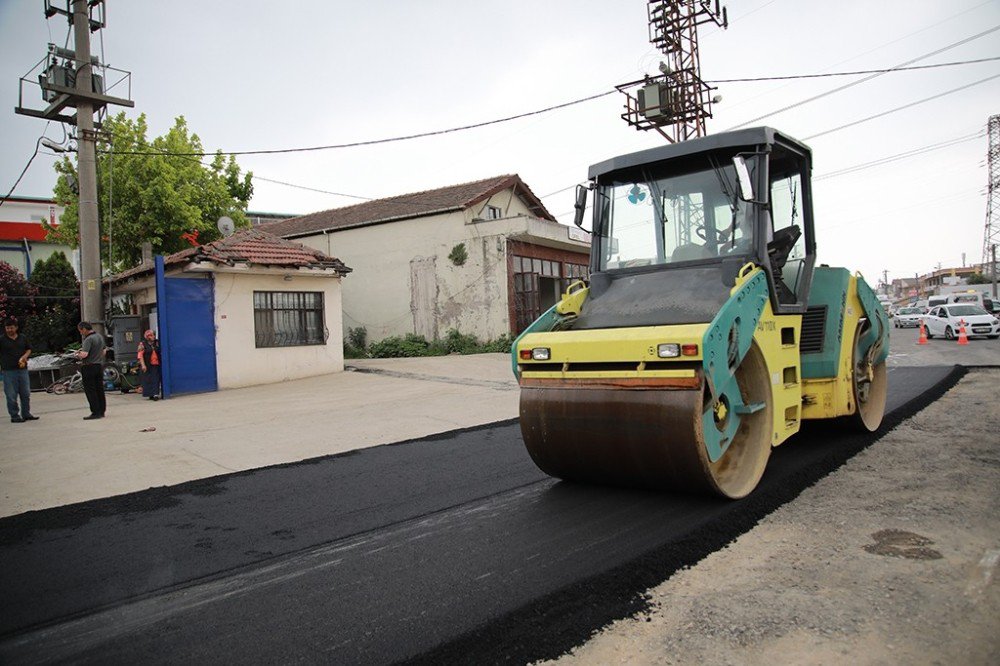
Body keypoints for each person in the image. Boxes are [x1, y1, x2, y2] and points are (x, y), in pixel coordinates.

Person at [1, 318, 38, 423]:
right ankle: (14, 415)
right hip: (8, 370)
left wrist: (25, 356)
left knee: (25, 393)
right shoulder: (2, 340)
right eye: (7, 328)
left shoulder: (22, 338)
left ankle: (26, 413)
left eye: (11, 328)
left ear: (16, 328)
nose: (9, 330)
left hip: (22, 369)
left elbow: (29, 349)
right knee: (11, 394)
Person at [76, 321, 106, 420]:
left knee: (91, 390)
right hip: (98, 365)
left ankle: (95, 412)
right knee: (99, 389)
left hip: (88, 366)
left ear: (84, 329)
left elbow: (84, 354)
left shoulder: (88, 339)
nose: (81, 333)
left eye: (80, 331)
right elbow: (104, 351)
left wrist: (77, 354)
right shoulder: (99, 337)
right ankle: (102, 410)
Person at [137, 329, 161, 401]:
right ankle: (150, 394)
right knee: (148, 379)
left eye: (153, 335)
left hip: (156, 364)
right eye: (151, 335)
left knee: (156, 379)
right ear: (148, 337)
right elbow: (140, 355)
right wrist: (143, 365)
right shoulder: (142, 344)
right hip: (147, 364)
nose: (153, 336)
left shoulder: (156, 343)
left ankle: (155, 394)